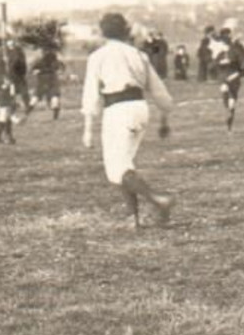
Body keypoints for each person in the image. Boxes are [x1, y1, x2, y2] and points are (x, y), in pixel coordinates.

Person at [81, 12, 175, 228]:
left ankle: (158, 200)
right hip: (139, 108)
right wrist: (164, 119)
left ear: (103, 32)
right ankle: (134, 219)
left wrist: (87, 129)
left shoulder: (98, 56)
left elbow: (91, 95)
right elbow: (159, 91)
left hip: (117, 110)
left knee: (117, 168)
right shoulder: (138, 54)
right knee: (123, 165)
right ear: (126, 31)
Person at [213, 28, 244, 132]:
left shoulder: (235, 51)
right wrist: (219, 63)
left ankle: (229, 119)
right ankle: (228, 111)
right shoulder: (220, 54)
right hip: (224, 78)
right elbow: (212, 66)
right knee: (225, 90)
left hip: (234, 78)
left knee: (232, 101)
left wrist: (237, 71)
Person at [31, 45, 66, 119]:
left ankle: (27, 112)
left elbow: (61, 67)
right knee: (52, 97)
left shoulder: (43, 61)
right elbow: (62, 67)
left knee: (52, 97)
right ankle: (55, 116)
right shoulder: (44, 61)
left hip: (47, 80)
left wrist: (60, 71)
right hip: (46, 80)